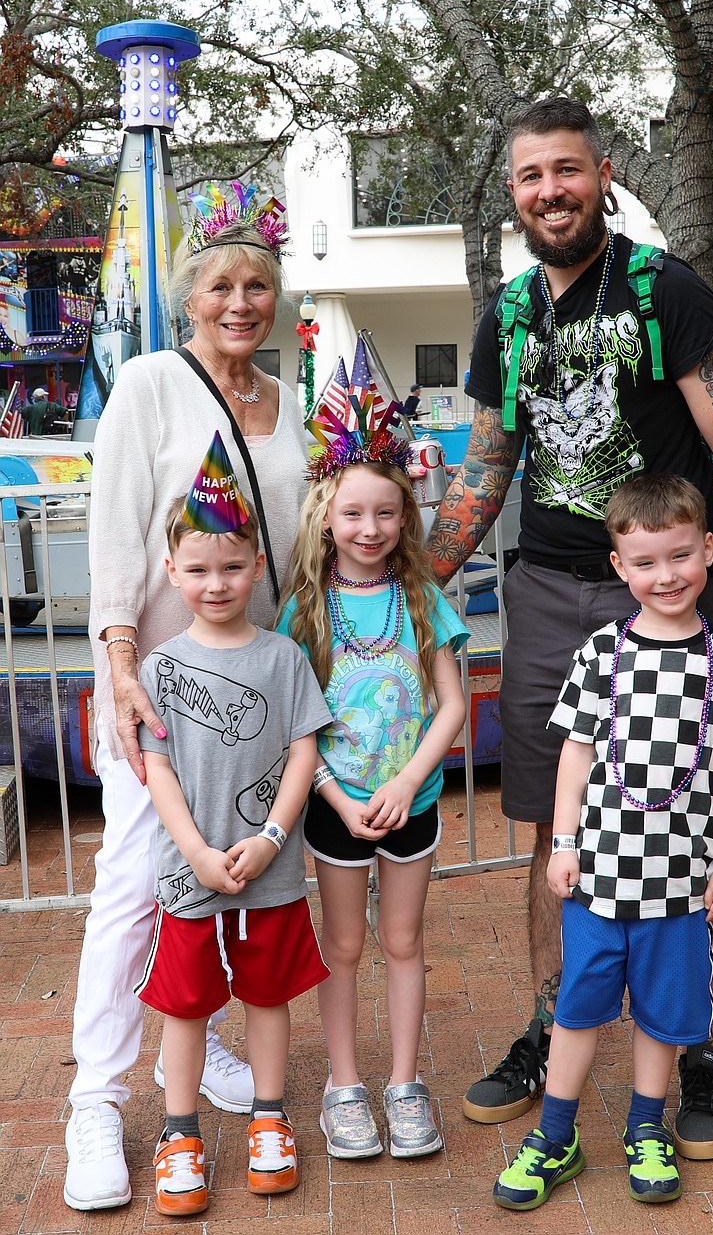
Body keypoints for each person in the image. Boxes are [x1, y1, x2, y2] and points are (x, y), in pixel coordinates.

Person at [426, 97, 713, 1156]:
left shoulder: (666, 290)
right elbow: (487, 464)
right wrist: (407, 585)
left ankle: (697, 1047)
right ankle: (553, 1025)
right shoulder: (510, 314)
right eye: (531, 177)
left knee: (690, 826)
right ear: (514, 193)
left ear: (602, 174)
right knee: (553, 826)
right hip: (545, 598)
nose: (550, 192)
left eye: (567, 170)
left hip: (662, 601)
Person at [64, 185, 308, 1211]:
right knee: (135, 883)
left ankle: (197, 1044)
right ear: (187, 297)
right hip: (159, 696)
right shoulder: (151, 384)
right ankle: (95, 1098)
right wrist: (119, 666)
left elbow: (299, 549)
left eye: (257, 285)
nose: (239, 303)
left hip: (256, 693)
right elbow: (116, 536)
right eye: (220, 286)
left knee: (243, 882)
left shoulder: (290, 401)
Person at [492, 474, 713, 1211]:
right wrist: (563, 843)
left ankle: (646, 1126)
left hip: (680, 883)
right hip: (599, 881)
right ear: (619, 566)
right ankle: (555, 1134)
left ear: (709, 549)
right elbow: (575, 753)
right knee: (577, 1007)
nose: (665, 575)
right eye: (645, 562)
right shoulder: (601, 653)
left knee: (663, 1015)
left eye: (680, 555)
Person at [135, 452, 331, 1217]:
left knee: (267, 994)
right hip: (190, 873)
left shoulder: (284, 658)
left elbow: (303, 752)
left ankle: (268, 1116)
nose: (215, 583)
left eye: (230, 567)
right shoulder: (160, 667)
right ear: (172, 572)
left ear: (256, 565)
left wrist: (274, 837)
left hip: (268, 871)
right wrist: (194, 850)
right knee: (186, 1004)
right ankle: (179, 1133)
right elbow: (158, 769)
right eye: (197, 569)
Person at [277, 400, 468, 1160]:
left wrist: (409, 780)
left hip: (412, 804)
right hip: (336, 808)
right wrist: (332, 794)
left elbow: (451, 704)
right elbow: (295, 724)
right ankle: (345, 1082)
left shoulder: (423, 602)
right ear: (326, 518)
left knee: (403, 940)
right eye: (353, 512)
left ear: (404, 516)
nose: (369, 527)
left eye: (385, 512)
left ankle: (404, 1082)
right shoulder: (305, 612)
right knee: (345, 945)